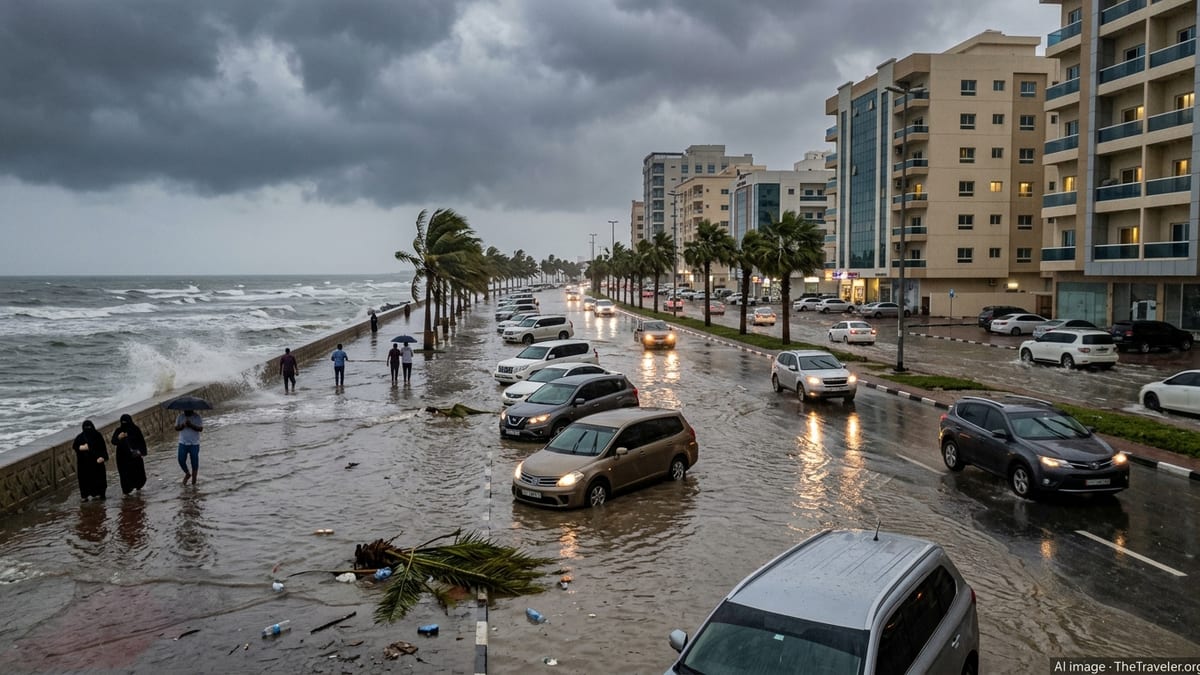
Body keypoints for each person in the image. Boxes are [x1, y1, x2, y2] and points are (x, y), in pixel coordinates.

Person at [111, 414, 147, 495]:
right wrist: (119, 437)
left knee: (138, 473)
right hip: (122, 458)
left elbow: (141, 441)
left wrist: (142, 452)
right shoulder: (118, 431)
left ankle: (138, 487)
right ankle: (127, 491)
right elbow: (113, 441)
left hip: (135, 457)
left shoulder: (135, 429)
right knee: (125, 475)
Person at [72, 420, 109, 501]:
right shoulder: (80, 437)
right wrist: (81, 448)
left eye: (89, 427)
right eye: (86, 428)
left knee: (99, 480)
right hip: (84, 465)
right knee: (84, 481)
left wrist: (103, 457)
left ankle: (100, 494)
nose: (88, 430)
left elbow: (103, 448)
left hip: (97, 464)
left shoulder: (97, 436)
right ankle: (85, 496)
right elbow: (75, 446)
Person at [175, 409, 203, 485]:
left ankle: (194, 482)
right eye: (184, 410)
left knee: (194, 463)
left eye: (188, 410)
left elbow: (200, 429)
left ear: (192, 410)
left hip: (194, 443)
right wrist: (183, 425)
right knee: (181, 460)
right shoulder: (180, 417)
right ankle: (187, 473)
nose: (185, 412)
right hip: (183, 442)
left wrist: (191, 425)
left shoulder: (197, 417)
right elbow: (176, 428)